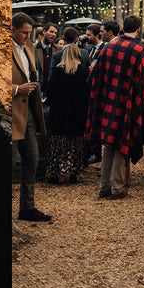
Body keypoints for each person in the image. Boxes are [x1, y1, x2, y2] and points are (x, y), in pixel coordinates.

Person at [86, 14, 144, 200]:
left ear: (124, 27)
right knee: (122, 141)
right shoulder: (138, 49)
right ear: (138, 29)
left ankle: (104, 186)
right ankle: (117, 187)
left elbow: (94, 76)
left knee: (108, 144)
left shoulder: (108, 46)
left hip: (107, 101)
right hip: (127, 103)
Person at [11, 12, 51, 221]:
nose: (28, 37)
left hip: (28, 115)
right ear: (13, 30)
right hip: (10, 114)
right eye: (24, 33)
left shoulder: (29, 48)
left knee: (32, 159)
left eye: (30, 33)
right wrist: (17, 89)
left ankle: (27, 207)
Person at [44, 27, 91, 184]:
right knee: (75, 142)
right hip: (77, 112)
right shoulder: (83, 72)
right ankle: (73, 172)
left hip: (60, 112)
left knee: (58, 142)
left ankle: (56, 172)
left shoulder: (58, 70)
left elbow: (50, 91)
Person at [33, 23, 57, 93]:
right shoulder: (33, 48)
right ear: (44, 32)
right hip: (36, 89)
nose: (54, 35)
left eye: (55, 33)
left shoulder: (58, 49)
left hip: (51, 91)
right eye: (51, 32)